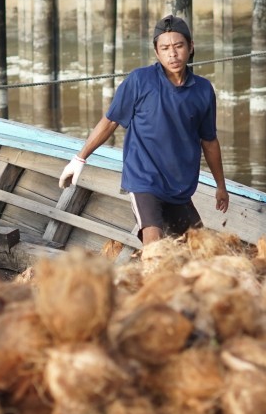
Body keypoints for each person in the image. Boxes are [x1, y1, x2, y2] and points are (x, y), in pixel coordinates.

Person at [58, 14, 229, 246]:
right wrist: (79, 159)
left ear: (190, 47)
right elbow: (110, 121)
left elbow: (209, 141)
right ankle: (150, 278)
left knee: (201, 248)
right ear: (157, 53)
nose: (173, 53)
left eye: (178, 46)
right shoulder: (140, 81)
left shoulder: (203, 90)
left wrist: (221, 185)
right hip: (144, 179)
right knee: (153, 240)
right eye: (165, 48)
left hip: (179, 186)